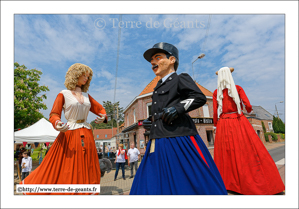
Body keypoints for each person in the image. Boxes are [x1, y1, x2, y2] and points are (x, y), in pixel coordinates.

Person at [130, 42, 227, 195]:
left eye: (157, 57)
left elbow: (198, 97)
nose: (152, 62)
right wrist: (151, 120)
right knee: (153, 181)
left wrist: (177, 108)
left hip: (178, 138)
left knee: (189, 179)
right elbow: (162, 108)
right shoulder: (157, 87)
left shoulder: (180, 78)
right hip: (157, 140)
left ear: (172, 60)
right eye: (151, 60)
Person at [20, 63, 108, 195]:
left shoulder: (87, 96)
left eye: (88, 76)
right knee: (67, 166)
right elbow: (54, 114)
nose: (86, 78)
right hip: (69, 132)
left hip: (87, 133)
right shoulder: (64, 94)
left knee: (89, 164)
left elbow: (100, 109)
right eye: (83, 75)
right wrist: (58, 123)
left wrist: (103, 116)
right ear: (75, 75)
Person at [213, 67, 285, 195]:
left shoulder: (216, 92)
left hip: (223, 122)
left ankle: (228, 183)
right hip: (237, 120)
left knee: (226, 153)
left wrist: (216, 123)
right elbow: (248, 105)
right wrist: (248, 110)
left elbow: (215, 111)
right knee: (247, 149)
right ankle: (251, 181)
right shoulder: (237, 88)